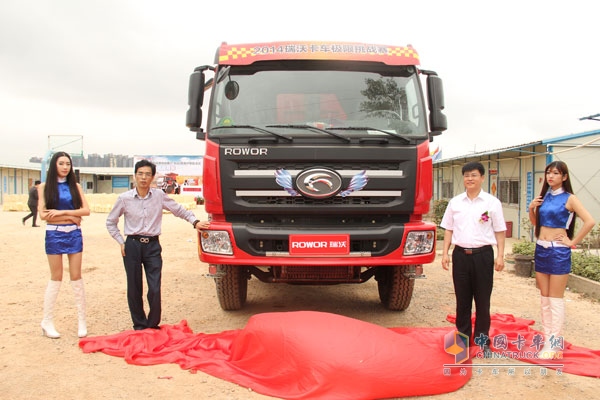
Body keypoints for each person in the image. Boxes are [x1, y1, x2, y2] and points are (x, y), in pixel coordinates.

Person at [106, 159, 210, 330]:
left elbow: (178, 210)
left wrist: (195, 221)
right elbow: (110, 222)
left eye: (147, 174)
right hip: (132, 245)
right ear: (135, 176)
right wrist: (121, 241)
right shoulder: (124, 199)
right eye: (140, 174)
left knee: (154, 287)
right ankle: (139, 325)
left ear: (153, 177)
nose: (143, 178)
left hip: (153, 246)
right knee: (134, 287)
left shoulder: (159, 196)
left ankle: (153, 325)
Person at [528, 161, 595, 359]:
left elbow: (590, 221)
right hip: (541, 248)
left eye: (556, 173)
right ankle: (548, 340)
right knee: (544, 299)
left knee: (556, 300)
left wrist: (572, 242)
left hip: (558, 252)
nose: (550, 176)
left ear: (564, 177)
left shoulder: (570, 198)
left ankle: (554, 344)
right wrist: (532, 209)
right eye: (549, 173)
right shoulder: (544, 196)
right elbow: (537, 225)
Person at [441, 161, 506, 355]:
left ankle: (482, 340)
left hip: (483, 256)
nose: (470, 179)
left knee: (483, 300)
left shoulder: (491, 203)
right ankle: (462, 341)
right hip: (460, 255)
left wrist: (500, 255)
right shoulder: (455, 202)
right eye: (467, 175)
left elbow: (500, 230)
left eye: (474, 175)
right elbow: (449, 229)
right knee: (462, 300)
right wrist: (445, 253)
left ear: (482, 178)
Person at [38, 152, 91, 339]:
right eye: (61, 163)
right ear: (54, 165)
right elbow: (44, 215)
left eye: (68, 163)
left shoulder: (75, 186)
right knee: (56, 277)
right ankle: (47, 321)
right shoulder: (44, 187)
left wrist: (64, 212)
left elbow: (86, 210)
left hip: (74, 235)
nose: (65, 167)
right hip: (54, 234)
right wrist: (70, 216)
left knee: (76, 276)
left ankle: (82, 320)